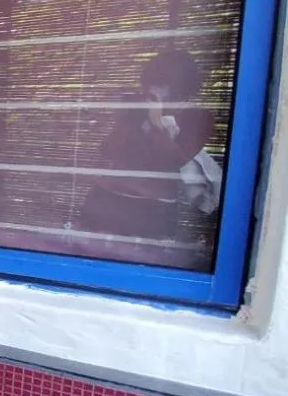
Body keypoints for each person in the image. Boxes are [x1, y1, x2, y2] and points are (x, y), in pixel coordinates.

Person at [77, 50, 217, 266]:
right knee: (86, 261)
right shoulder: (136, 109)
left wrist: (157, 124)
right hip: (105, 198)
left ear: (181, 87)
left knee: (137, 267)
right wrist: (127, 117)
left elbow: (176, 162)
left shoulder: (197, 117)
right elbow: (108, 150)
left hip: (151, 209)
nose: (153, 89)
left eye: (162, 83)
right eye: (151, 82)